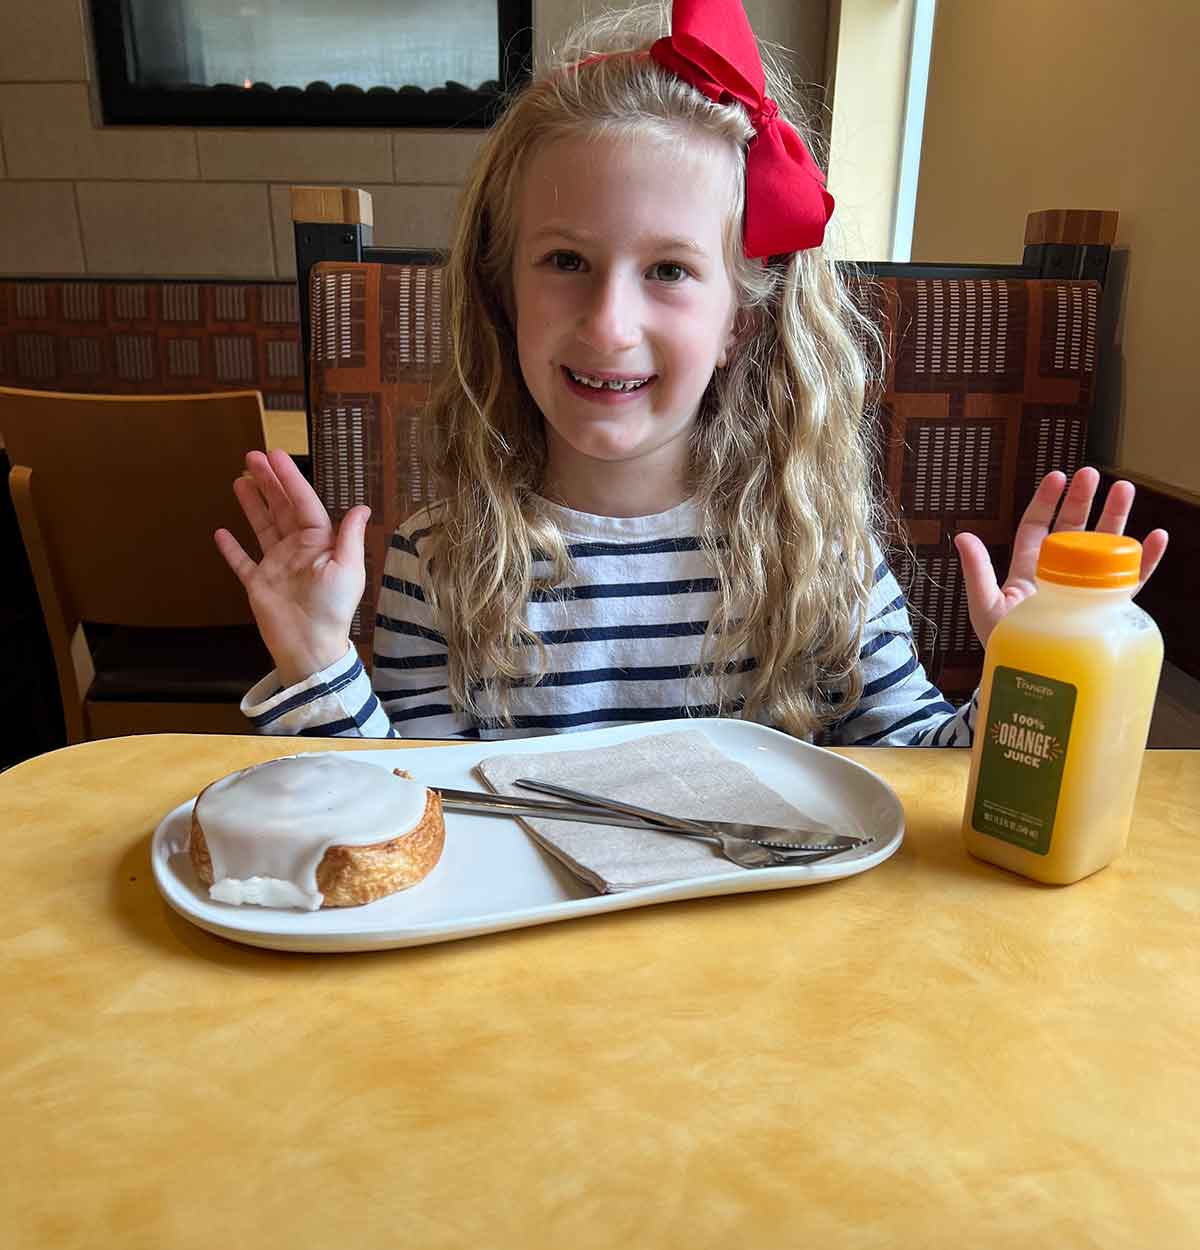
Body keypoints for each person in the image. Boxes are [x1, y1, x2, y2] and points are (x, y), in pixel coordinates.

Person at [216, 0, 1167, 745]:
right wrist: (317, 661)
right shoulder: (440, 561)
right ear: (503, 292)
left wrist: (1038, 673)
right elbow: (412, 819)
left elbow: (917, 777)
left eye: (669, 270)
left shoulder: (819, 554)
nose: (609, 323)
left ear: (739, 322)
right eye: (566, 261)